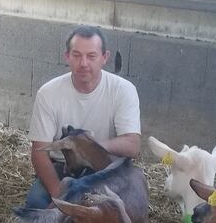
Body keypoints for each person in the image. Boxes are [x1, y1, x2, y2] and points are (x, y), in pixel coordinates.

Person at [26, 25, 141, 208]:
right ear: (67, 57)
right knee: (36, 205)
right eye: (77, 55)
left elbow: (132, 145)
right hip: (63, 167)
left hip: (106, 168)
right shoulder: (48, 93)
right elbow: (39, 153)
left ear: (105, 57)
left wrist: (88, 148)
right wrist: (59, 195)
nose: (84, 63)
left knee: (115, 210)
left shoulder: (123, 90)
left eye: (91, 56)